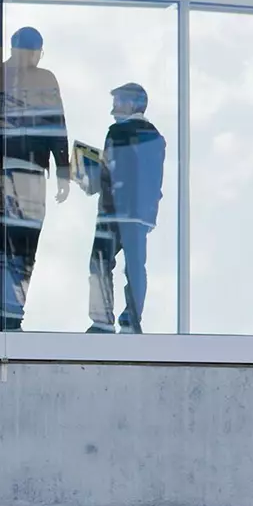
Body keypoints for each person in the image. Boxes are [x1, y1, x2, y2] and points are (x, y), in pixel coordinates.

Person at [0, 26, 70, 329]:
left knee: (3, 244)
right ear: (33, 50)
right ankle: (11, 314)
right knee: (24, 245)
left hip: (3, 168)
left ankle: (4, 315)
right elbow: (56, 125)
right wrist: (63, 169)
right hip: (24, 170)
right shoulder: (43, 79)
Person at [85, 83, 165, 333]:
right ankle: (132, 318)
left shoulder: (116, 132)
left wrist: (88, 174)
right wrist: (150, 214)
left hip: (113, 209)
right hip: (138, 213)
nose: (113, 109)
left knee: (100, 261)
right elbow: (155, 179)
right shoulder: (155, 136)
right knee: (135, 266)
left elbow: (108, 172)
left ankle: (102, 319)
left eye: (117, 102)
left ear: (131, 104)